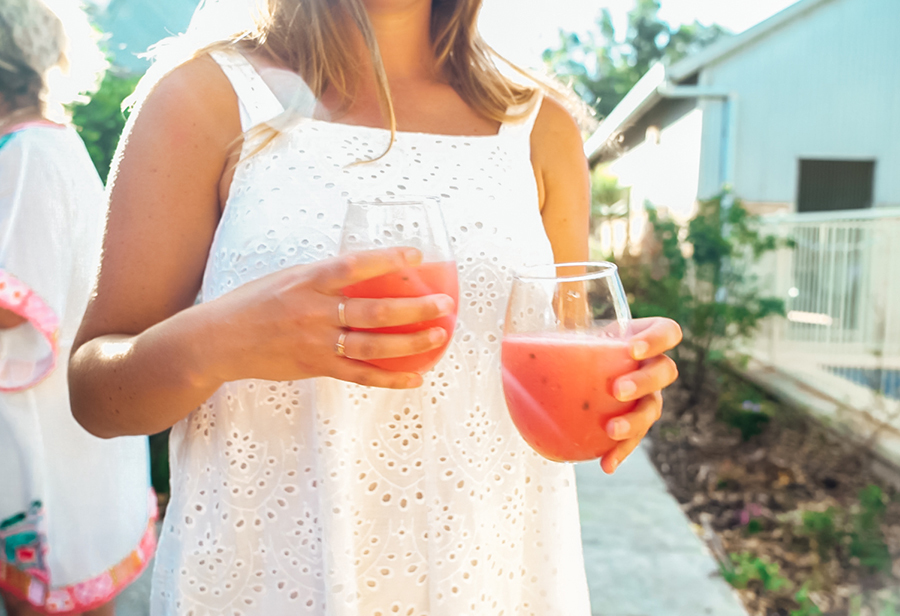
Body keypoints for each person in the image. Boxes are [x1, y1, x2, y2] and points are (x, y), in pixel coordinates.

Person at [69, 0, 682, 613]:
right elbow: (96, 394)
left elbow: (561, 349)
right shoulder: (205, 96)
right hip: (270, 582)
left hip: (490, 577)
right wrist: (217, 341)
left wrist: (616, 386)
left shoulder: (539, 126)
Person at [0, 1, 157, 614]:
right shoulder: (30, 145)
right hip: (52, 418)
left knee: (47, 593)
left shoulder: (28, 155)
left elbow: (16, 301)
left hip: (46, 432)